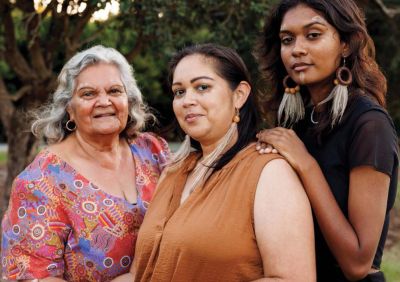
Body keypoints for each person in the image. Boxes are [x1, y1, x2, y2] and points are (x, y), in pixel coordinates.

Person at [114, 43, 315, 282]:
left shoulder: (270, 173)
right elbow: (139, 273)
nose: (187, 100)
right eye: (179, 92)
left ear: (239, 95)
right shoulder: (173, 171)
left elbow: (293, 279)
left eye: (202, 87)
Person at [254, 1, 399, 281]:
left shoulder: (369, 126)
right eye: (287, 39)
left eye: (313, 35)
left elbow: (357, 263)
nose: (297, 49)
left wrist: (306, 164)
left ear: (345, 44)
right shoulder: (296, 122)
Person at [1, 45, 170, 281]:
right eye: (88, 94)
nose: (104, 101)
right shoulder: (41, 181)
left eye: (114, 91)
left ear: (128, 101)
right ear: (69, 109)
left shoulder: (153, 151)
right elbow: (29, 275)